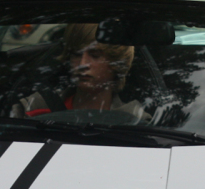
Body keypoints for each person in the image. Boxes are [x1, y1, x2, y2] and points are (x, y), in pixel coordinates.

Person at [13, 23, 146, 120]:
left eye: (95, 55)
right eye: (76, 54)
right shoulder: (34, 108)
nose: (82, 64)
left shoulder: (134, 121)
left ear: (116, 63)